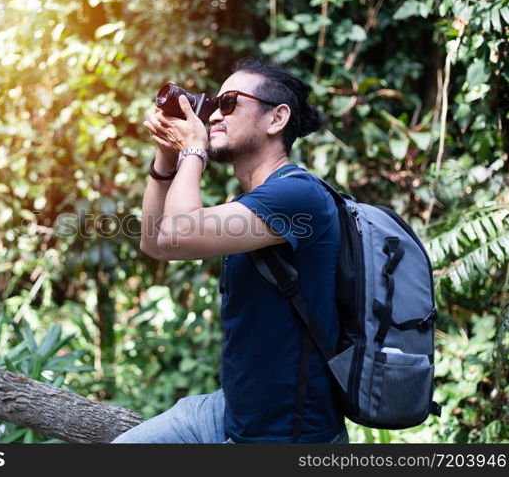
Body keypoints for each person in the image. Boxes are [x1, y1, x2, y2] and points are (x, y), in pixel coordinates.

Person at [112, 58, 347, 443]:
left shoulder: (298, 194)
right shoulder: (254, 200)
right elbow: (156, 243)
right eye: (214, 104)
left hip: (287, 433)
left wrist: (193, 151)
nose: (214, 116)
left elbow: (181, 232)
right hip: (232, 411)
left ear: (276, 119)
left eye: (230, 103)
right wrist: (166, 159)